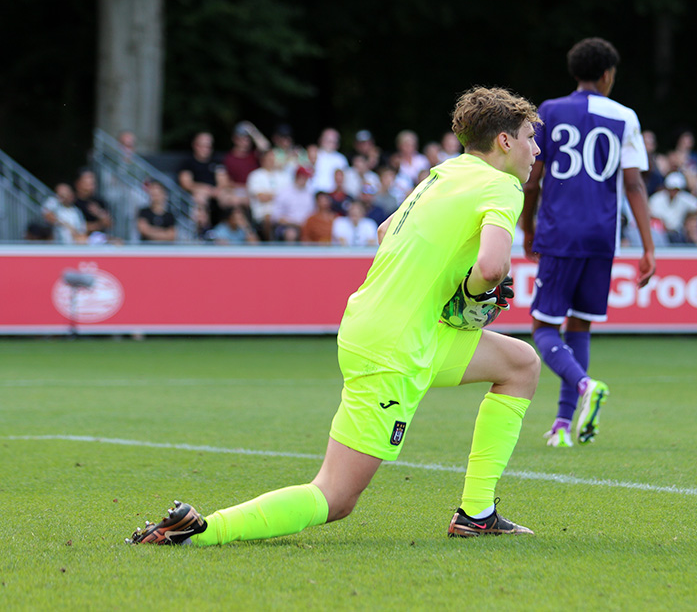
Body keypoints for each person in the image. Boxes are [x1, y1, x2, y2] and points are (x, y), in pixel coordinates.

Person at [127, 85, 543, 546]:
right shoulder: (503, 184)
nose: (535, 149)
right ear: (504, 142)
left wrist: (444, 295)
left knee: (520, 364)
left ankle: (477, 515)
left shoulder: (442, 173)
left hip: (383, 327)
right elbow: (492, 267)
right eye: (529, 137)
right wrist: (470, 294)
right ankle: (203, 532)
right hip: (396, 347)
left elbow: (386, 231)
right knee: (336, 497)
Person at [520, 37, 656, 448]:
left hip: (561, 232)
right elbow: (633, 183)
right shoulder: (624, 116)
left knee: (544, 326)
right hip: (602, 235)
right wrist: (649, 247)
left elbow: (534, 179)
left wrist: (527, 229)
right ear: (608, 74)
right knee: (580, 324)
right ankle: (564, 425)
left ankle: (582, 386)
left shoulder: (550, 110)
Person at [648, 171, 697, 235]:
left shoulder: (683, 197)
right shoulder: (657, 198)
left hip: (678, 232)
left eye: (676, 189)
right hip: (661, 232)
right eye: (671, 189)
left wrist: (688, 216)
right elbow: (651, 213)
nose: (673, 192)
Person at [73, 167, 113, 239]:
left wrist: (98, 213)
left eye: (93, 183)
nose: (91, 186)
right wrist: (99, 225)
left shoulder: (99, 202)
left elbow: (109, 224)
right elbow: (78, 227)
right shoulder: (73, 203)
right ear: (78, 184)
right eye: (87, 183)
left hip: (100, 239)